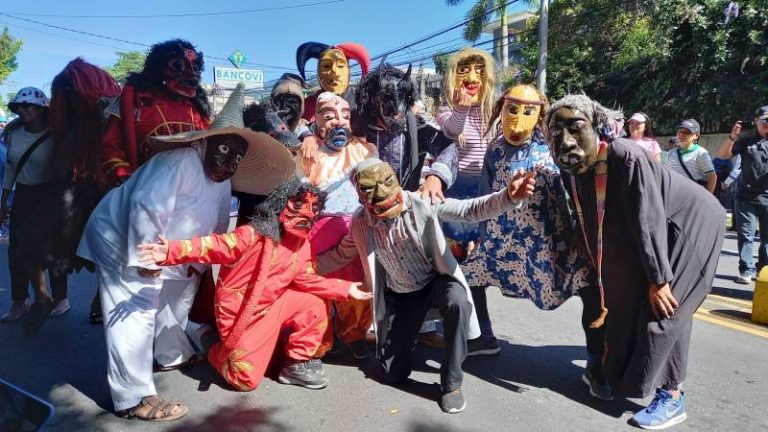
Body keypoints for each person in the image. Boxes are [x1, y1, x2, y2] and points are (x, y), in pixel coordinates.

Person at [76, 85, 293, 421]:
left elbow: (217, 225)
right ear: (204, 141)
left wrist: (199, 263)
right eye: (226, 148)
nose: (231, 159)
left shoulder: (222, 179)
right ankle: (133, 397)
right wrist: (145, 259)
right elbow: (145, 207)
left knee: (179, 292)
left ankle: (171, 352)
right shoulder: (177, 161)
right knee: (137, 306)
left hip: (170, 247)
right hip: (123, 238)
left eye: (239, 154)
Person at [548, 94, 724, 430]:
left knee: (665, 311)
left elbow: (648, 217)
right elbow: (586, 216)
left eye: (575, 128)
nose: (565, 140)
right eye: (556, 132)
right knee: (624, 303)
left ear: (597, 128)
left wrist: (659, 278)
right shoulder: (571, 164)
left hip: (688, 225)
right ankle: (613, 374)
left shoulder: (626, 155)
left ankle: (672, 397)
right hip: (651, 232)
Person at [316, 158, 535, 414]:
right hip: (401, 296)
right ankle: (403, 344)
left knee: (458, 301)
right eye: (370, 191)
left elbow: (470, 210)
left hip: (435, 284)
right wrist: (298, 267)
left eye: (387, 184)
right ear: (361, 196)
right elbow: (341, 254)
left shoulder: (423, 201)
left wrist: (508, 196)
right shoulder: (361, 222)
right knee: (391, 374)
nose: (383, 195)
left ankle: (451, 383)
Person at [137, 178, 372, 392]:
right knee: (244, 379)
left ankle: (295, 364)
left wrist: (345, 289)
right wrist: (171, 250)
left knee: (315, 303)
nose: (308, 213)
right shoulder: (251, 235)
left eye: (314, 208)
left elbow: (304, 277)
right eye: (299, 205)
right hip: (242, 314)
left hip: (275, 305)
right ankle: (208, 339)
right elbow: (214, 245)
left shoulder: (302, 244)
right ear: (281, 205)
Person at [461, 84, 593, 356]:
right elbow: (484, 195)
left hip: (548, 241)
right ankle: (483, 335)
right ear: (502, 110)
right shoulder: (494, 150)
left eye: (528, 111)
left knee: (590, 286)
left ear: (539, 115)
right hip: (502, 238)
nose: (518, 118)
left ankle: (597, 360)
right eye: (512, 109)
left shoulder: (553, 145)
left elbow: (575, 187)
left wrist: (582, 230)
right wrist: (477, 235)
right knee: (467, 277)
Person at [90, 38, 213, 324]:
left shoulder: (197, 108)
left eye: (195, 67)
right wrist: (129, 181)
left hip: (190, 208)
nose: (190, 73)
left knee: (183, 278)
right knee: (143, 279)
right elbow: (110, 149)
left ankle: (171, 339)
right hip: (144, 205)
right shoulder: (135, 99)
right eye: (179, 65)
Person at [300, 92, 377, 359]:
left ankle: (354, 334)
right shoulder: (308, 153)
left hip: (356, 232)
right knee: (317, 285)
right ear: (316, 120)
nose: (339, 122)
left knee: (358, 284)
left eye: (345, 116)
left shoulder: (364, 150)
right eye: (329, 116)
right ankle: (316, 340)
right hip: (318, 233)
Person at [0, 88, 71, 332]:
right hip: (23, 195)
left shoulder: (57, 136)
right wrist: (3, 202)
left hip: (50, 196)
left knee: (53, 250)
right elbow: (10, 169)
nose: (23, 109)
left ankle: (59, 298)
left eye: (29, 106)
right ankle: (20, 301)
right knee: (16, 251)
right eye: (19, 106)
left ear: (42, 109)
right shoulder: (14, 133)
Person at [437, 47, 496, 261]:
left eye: (479, 70)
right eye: (463, 70)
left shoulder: (493, 112)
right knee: (457, 248)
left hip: (485, 187)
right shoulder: (447, 111)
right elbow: (452, 130)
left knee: (482, 250)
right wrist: (462, 108)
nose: (472, 77)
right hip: (456, 187)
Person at [717, 108, 768, 284]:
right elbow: (722, 155)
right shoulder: (746, 140)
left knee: (767, 239)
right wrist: (732, 137)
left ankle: (764, 269)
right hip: (746, 197)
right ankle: (747, 269)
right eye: (764, 121)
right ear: (756, 121)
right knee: (746, 235)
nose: (767, 124)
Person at [296, 41, 370, 121]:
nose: (334, 71)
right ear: (318, 72)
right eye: (326, 66)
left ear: (348, 71)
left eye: (340, 66)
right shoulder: (307, 106)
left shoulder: (362, 101)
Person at [662, 119, 717, 193]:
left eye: (686, 132)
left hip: (694, 199)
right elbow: (662, 175)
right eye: (679, 131)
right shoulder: (669, 153)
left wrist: (708, 199)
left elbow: (712, 177)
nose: (681, 134)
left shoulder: (700, 153)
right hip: (674, 198)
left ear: (696, 135)